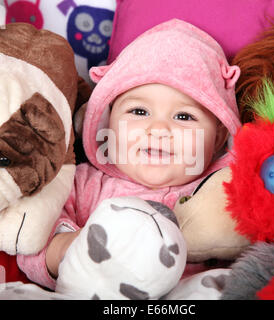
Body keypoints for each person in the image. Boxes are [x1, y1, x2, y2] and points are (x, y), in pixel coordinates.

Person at [17, 19, 241, 290]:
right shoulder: (83, 183)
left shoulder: (227, 189)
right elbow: (33, 243)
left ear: (218, 136)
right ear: (107, 121)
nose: (158, 129)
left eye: (184, 116)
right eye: (139, 111)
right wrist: (72, 247)